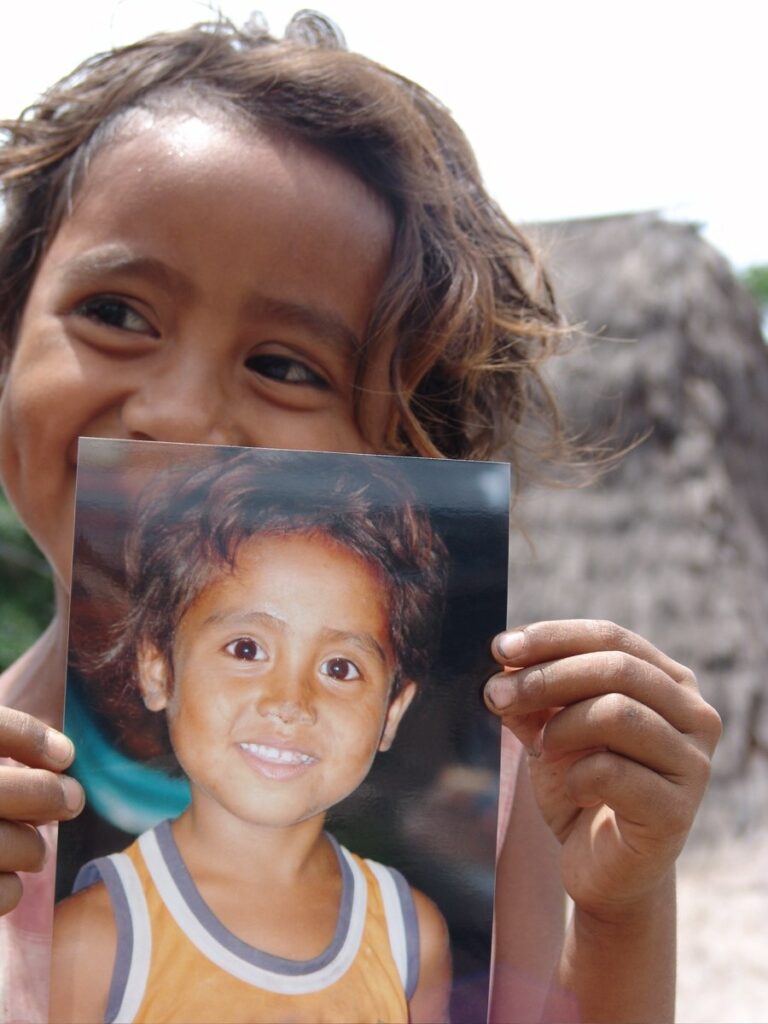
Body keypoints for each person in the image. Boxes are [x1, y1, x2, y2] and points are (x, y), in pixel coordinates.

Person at [0, 12, 721, 1024]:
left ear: (400, 453)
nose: (172, 410)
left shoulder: (519, 803)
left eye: (285, 365)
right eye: (116, 313)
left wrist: (622, 912)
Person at [50, 447, 452, 1023]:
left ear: (392, 710)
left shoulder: (413, 940)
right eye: (246, 649)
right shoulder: (95, 941)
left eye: (340, 668)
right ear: (159, 669)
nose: (290, 703)